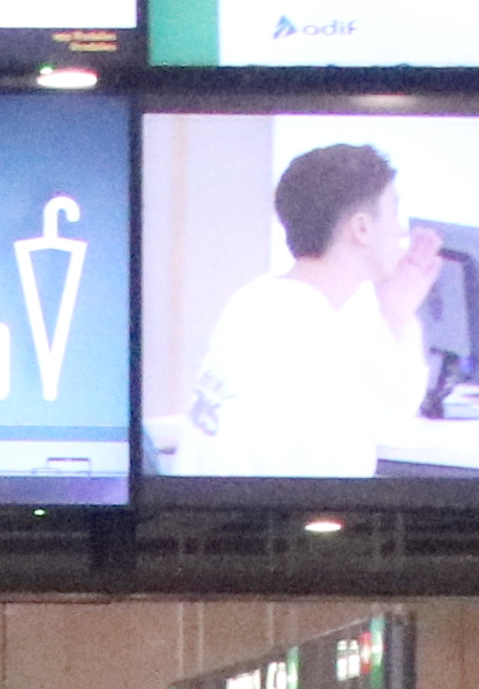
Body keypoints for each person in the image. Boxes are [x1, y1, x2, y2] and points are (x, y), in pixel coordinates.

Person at [166, 139, 440, 482]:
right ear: (362, 228)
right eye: (394, 212)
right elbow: (342, 477)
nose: (402, 231)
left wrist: (395, 312)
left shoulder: (256, 299)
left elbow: (376, 417)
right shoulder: (311, 340)